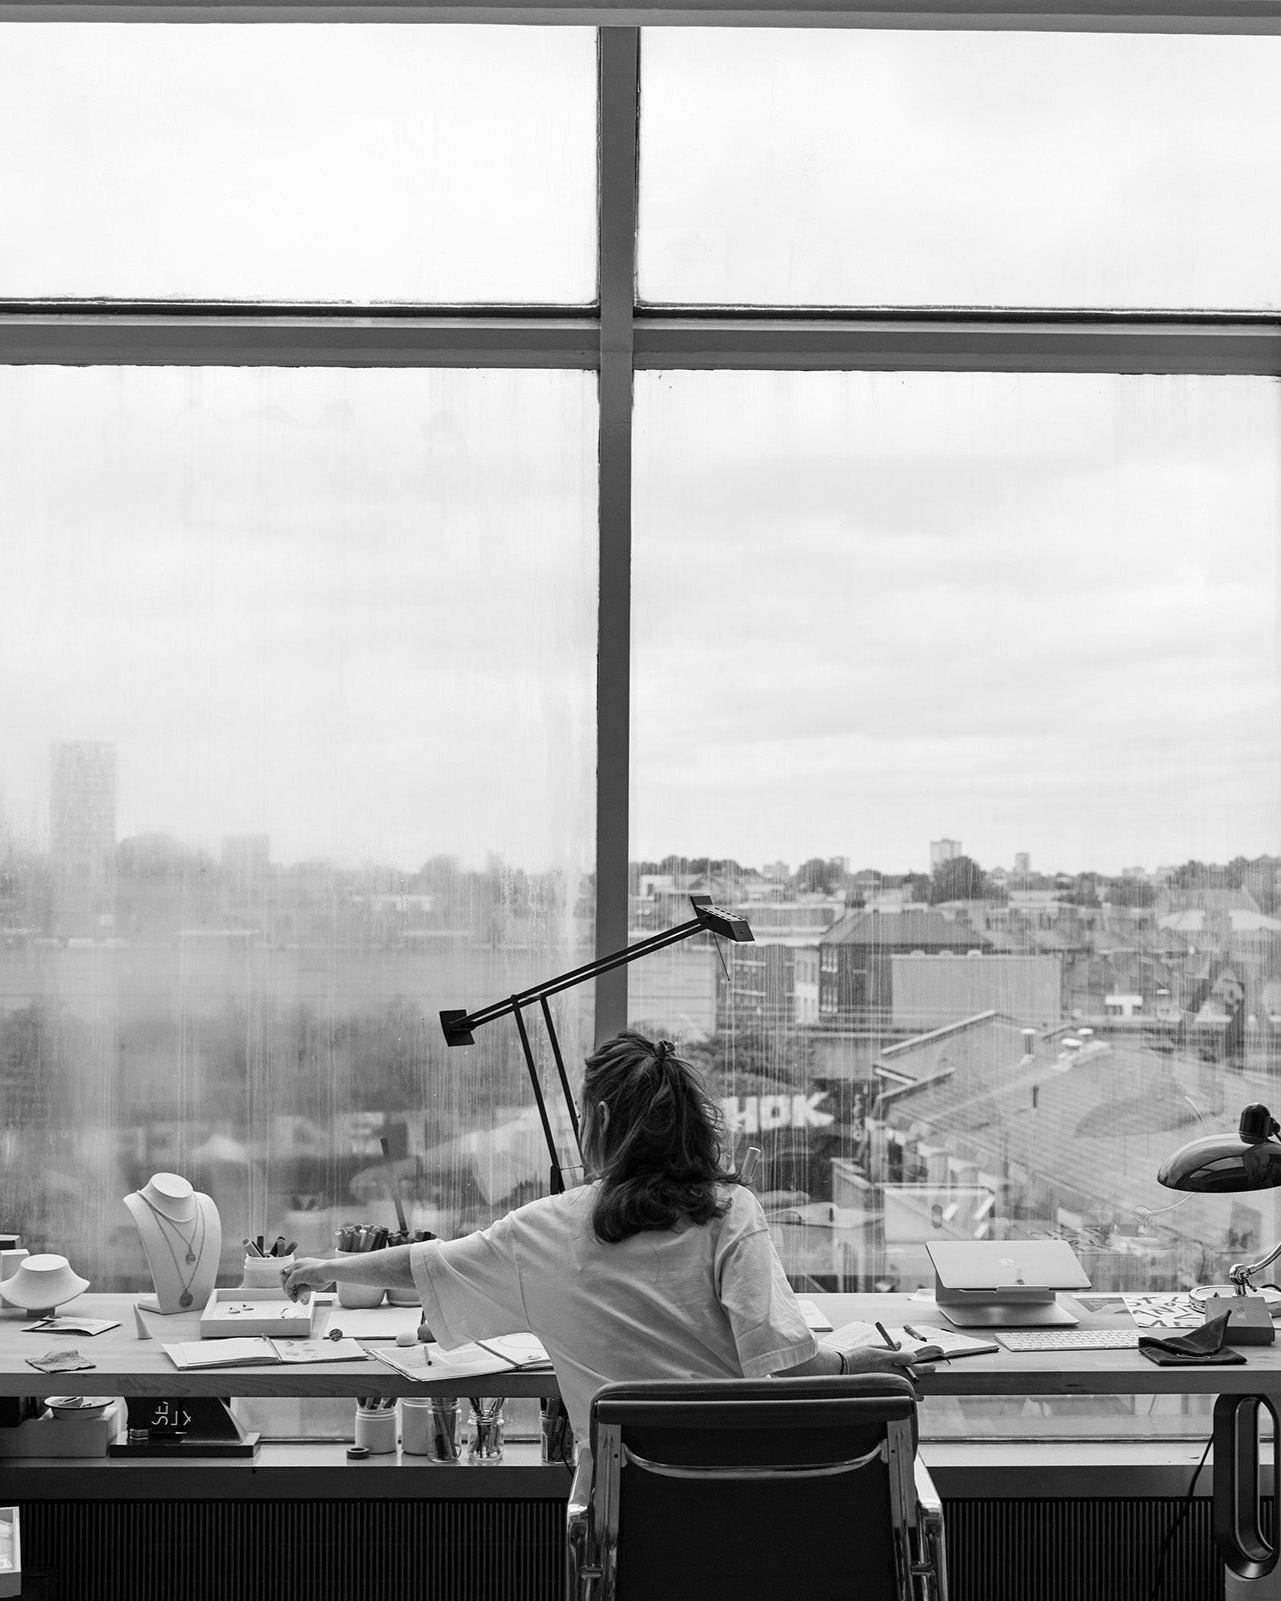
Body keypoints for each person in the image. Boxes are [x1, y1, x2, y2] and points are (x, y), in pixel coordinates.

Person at [283, 1029, 938, 1446]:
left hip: (627, 1529)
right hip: (757, 1510)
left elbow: (426, 1264)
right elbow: (791, 1368)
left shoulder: (541, 1229)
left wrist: (327, 1265)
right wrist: (854, 1360)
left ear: (595, 1119)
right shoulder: (729, 1211)